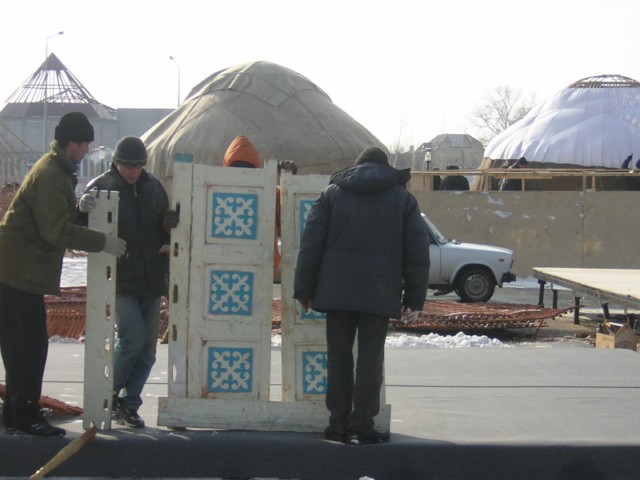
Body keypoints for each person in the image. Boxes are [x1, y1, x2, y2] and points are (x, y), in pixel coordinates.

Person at [0, 112, 127, 438]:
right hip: (14, 272)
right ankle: (25, 416)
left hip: (19, 271)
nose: (86, 150)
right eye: (85, 144)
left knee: (23, 346)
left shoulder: (56, 169)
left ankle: (15, 414)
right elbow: (56, 231)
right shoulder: (52, 174)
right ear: (72, 142)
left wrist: (77, 211)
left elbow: (53, 218)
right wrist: (103, 242)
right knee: (27, 348)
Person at [293, 147, 430, 445]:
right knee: (370, 359)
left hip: (336, 291)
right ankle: (363, 426)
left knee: (338, 358)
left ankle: (337, 425)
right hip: (379, 292)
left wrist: (304, 288)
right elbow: (417, 253)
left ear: (356, 167)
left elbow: (311, 243)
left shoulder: (332, 194)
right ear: (386, 167)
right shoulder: (403, 199)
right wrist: (415, 299)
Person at [78, 136, 177, 428]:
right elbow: (81, 229)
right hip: (119, 278)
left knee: (147, 348)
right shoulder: (100, 187)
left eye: (138, 165)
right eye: (127, 165)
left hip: (151, 277)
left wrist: (170, 228)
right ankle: (107, 394)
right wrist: (80, 210)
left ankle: (128, 402)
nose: (133, 171)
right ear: (116, 163)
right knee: (131, 338)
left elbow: (165, 230)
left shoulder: (154, 188)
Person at [222, 135, 297, 278]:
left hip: (261, 265)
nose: (242, 174)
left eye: (247, 170)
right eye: (236, 169)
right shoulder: (212, 193)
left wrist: (289, 183)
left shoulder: (271, 193)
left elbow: (288, 219)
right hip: (222, 265)